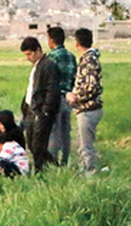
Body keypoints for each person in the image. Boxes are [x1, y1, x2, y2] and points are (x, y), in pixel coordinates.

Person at [65, 27, 104, 174]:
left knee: (86, 146)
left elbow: (91, 86)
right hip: (87, 108)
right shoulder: (90, 59)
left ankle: (89, 173)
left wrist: (75, 97)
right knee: (84, 145)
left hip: (88, 109)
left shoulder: (88, 61)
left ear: (77, 43)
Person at [19, 36, 60, 172]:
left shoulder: (48, 65)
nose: (28, 58)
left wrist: (46, 111)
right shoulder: (37, 66)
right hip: (31, 110)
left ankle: (40, 171)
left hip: (41, 112)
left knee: (38, 145)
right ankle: (54, 166)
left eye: (30, 54)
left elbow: (51, 90)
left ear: (38, 50)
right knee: (31, 144)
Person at [45, 26, 77, 166]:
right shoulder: (71, 56)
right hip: (68, 98)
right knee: (65, 131)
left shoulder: (52, 56)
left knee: (53, 131)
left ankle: (52, 160)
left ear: (51, 40)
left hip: (55, 98)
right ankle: (65, 160)